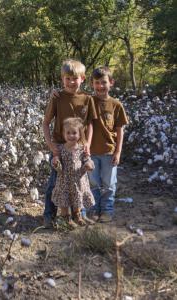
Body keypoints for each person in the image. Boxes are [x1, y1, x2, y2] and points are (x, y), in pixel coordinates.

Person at [42, 59, 97, 228]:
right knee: (55, 182)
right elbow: (45, 122)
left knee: (80, 181)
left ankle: (78, 216)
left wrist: (87, 143)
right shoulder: (57, 98)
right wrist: (51, 146)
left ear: (82, 78)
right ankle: (49, 216)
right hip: (60, 147)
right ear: (62, 79)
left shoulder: (87, 99)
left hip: (80, 149)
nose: (71, 82)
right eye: (68, 78)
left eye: (75, 78)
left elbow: (90, 124)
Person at [88, 66, 129, 223]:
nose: (100, 86)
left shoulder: (116, 105)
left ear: (111, 82)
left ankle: (107, 211)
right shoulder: (89, 101)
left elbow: (120, 131)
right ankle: (94, 210)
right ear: (92, 83)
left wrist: (118, 152)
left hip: (109, 152)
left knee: (109, 183)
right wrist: (57, 94)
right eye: (97, 82)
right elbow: (72, 97)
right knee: (93, 183)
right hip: (91, 152)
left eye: (103, 82)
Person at [51, 117, 95, 228]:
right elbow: (56, 161)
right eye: (68, 133)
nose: (71, 135)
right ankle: (65, 218)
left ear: (80, 134)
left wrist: (89, 165)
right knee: (64, 200)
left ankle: (77, 216)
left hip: (78, 180)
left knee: (77, 198)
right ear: (64, 134)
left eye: (74, 133)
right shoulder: (60, 149)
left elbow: (87, 159)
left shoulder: (82, 149)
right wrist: (55, 162)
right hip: (64, 180)